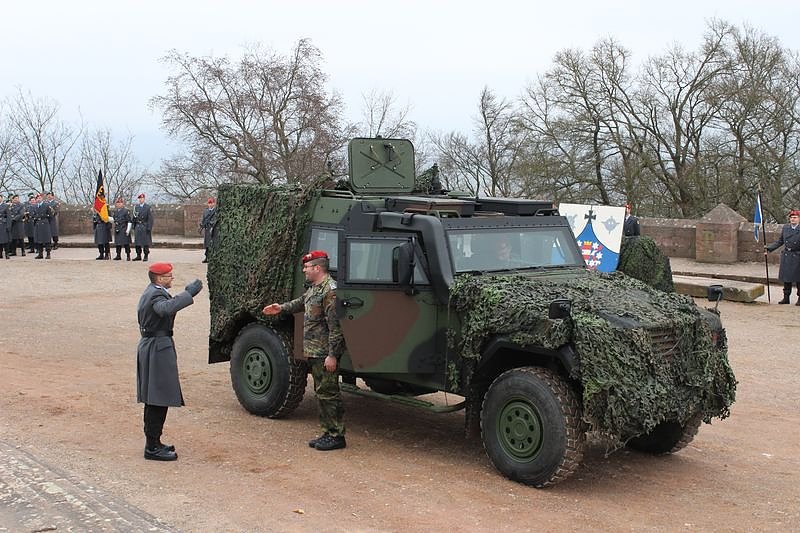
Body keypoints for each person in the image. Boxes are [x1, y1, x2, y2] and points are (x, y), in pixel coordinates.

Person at [261, 250, 346, 451]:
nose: (304, 270)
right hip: (315, 351)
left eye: (307, 267)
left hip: (324, 353)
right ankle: (328, 432)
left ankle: (336, 435)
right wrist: (281, 308)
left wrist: (332, 355)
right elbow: (302, 302)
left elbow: (336, 328)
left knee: (329, 394)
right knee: (322, 393)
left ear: (317, 268)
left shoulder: (330, 291)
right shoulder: (315, 288)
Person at [136, 262, 203, 461]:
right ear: (159, 278)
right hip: (156, 347)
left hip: (156, 345)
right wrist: (188, 294)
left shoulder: (153, 291)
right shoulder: (155, 294)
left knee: (157, 398)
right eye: (169, 276)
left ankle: (154, 442)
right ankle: (152, 447)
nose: (172, 278)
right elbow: (164, 309)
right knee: (157, 398)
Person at [765, 209, 800, 305]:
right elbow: (780, 241)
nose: (793, 219)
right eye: (791, 217)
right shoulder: (786, 228)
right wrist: (769, 248)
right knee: (786, 278)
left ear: (799, 219)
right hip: (787, 255)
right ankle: (786, 298)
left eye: (795, 217)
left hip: (797, 256)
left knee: (799, 279)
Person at [31, 193, 53, 260]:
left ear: (42, 198)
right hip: (37, 223)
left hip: (44, 223)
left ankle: (48, 254)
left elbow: (50, 215)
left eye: (40, 198)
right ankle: (40, 254)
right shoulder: (35, 206)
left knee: (46, 239)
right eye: (37, 198)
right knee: (39, 240)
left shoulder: (46, 205)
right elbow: (33, 215)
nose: (38, 199)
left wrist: (46, 221)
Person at [132, 193, 154, 261]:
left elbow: (150, 219)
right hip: (138, 226)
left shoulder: (148, 207)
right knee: (137, 242)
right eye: (140, 198)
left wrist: (149, 227)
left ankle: (146, 255)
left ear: (144, 199)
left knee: (145, 242)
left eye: (142, 198)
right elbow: (134, 217)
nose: (141, 200)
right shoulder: (136, 207)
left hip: (144, 226)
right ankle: (138, 255)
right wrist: (133, 226)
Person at [199, 197, 217, 263]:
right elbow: (203, 219)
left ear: (214, 203)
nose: (210, 204)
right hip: (207, 229)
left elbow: (216, 219)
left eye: (211, 203)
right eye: (209, 203)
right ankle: (207, 257)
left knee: (212, 244)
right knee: (207, 245)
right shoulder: (205, 211)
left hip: (213, 230)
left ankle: (213, 258)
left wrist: (211, 223)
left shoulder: (216, 211)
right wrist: (201, 225)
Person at [0, 193, 10, 259]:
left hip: (3, 224)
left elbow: (8, 217)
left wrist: (8, 225)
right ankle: (0, 254)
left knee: (5, 240)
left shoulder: (6, 206)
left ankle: (7, 253)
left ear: (2, 198)